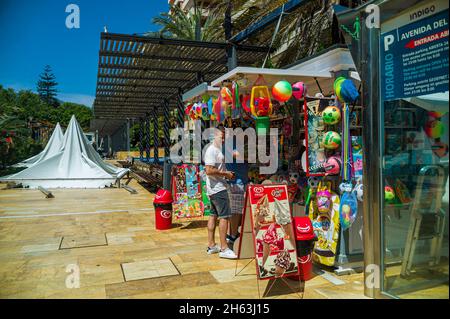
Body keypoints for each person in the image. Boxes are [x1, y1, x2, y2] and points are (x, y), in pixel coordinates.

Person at [203, 125, 237, 259]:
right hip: (218, 189)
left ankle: (211, 245)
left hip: (213, 189)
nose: (223, 140)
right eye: (221, 137)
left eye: (224, 137)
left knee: (213, 215)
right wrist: (226, 174)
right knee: (225, 217)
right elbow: (209, 170)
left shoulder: (215, 149)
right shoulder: (212, 150)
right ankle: (224, 248)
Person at [225, 129, 249, 249]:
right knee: (236, 211)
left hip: (241, 181)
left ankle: (233, 233)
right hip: (236, 182)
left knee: (238, 210)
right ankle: (233, 235)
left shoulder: (236, 143)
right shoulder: (230, 143)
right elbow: (238, 155)